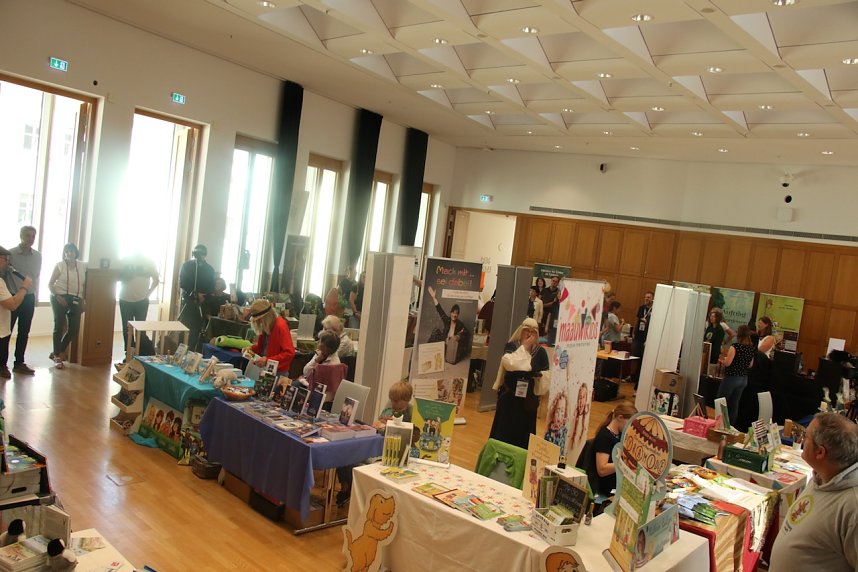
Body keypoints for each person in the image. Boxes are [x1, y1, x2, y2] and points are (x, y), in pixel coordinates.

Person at [769, 412, 858, 572]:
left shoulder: (853, 506)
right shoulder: (822, 475)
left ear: (820, 453)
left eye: (806, 435)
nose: (802, 438)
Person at [338, 380, 414, 506]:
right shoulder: (389, 410)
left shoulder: (409, 415)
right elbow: (377, 424)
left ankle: (350, 486)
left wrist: (390, 425)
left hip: (389, 448)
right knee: (344, 453)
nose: (392, 403)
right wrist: (379, 423)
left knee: (351, 457)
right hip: (377, 439)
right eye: (391, 400)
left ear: (406, 400)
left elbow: (407, 435)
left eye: (396, 401)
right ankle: (345, 485)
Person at [488, 317, 549, 449]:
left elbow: (546, 374)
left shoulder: (540, 352)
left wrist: (538, 377)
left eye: (533, 332)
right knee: (503, 432)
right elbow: (510, 363)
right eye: (527, 331)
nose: (529, 334)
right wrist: (525, 347)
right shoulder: (511, 346)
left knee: (523, 436)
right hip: (509, 399)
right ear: (521, 331)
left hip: (527, 402)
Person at [1, 226, 41, 375]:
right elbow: (4, 274)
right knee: (6, 332)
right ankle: (2, 364)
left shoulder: (38, 256)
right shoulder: (10, 254)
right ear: (21, 236)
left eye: (33, 236)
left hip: (29, 297)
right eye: (27, 235)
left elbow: (35, 277)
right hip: (12, 297)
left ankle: (19, 363)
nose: (30, 239)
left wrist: (35, 296)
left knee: (24, 331)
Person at [47, 243, 86, 369]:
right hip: (59, 297)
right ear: (64, 253)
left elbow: (85, 286)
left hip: (76, 299)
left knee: (74, 328)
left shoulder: (83, 266)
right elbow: (50, 284)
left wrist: (84, 300)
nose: (70, 253)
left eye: (72, 251)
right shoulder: (60, 265)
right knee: (59, 325)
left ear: (76, 253)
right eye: (67, 251)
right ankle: (58, 356)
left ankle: (57, 351)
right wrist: (58, 296)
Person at [589, 401, 637, 497]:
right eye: (630, 423)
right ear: (620, 417)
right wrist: (625, 462)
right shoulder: (604, 437)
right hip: (606, 489)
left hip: (616, 483)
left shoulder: (618, 435)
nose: (630, 428)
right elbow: (602, 469)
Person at [118, 252, 159, 356]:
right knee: (127, 328)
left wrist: (148, 293)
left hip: (142, 301)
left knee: (141, 328)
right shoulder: (124, 260)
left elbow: (156, 280)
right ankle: (129, 353)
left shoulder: (149, 262)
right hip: (125, 299)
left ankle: (140, 353)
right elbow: (116, 277)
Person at [178, 244, 215, 351]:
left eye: (201, 254)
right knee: (184, 330)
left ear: (205, 255)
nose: (199, 256)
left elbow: (211, 286)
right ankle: (180, 354)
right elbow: (183, 283)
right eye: (197, 254)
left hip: (202, 304)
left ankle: (192, 354)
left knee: (196, 331)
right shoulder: (187, 266)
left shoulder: (209, 269)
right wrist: (194, 293)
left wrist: (204, 295)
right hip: (188, 302)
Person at [717, 324, 755, 425]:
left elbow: (728, 363)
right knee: (734, 404)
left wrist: (722, 360)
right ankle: (731, 426)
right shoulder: (751, 348)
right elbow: (750, 365)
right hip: (743, 379)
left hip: (732, 377)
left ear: (739, 334)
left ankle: (720, 424)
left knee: (721, 401)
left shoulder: (735, 347)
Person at [247, 299, 295, 374]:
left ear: (267, 316)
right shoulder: (267, 325)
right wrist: (251, 349)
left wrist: (267, 360)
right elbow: (265, 348)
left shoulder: (280, 326)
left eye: (259, 320)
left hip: (278, 371)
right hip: (265, 368)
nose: (258, 322)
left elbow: (289, 353)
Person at [426, 285, 470, 363]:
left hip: (450, 347)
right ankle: (427, 352)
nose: (454, 315)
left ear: (458, 315)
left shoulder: (460, 324)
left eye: (456, 313)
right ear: (450, 313)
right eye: (453, 312)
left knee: (454, 354)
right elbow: (440, 310)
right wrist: (434, 297)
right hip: (443, 342)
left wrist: (458, 336)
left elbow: (467, 333)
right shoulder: (447, 320)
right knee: (435, 330)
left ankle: (445, 355)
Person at [631, 291, 653, 385]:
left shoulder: (654, 309)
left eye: (648, 297)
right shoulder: (641, 308)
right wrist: (633, 331)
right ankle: (632, 375)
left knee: (643, 358)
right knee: (634, 355)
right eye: (645, 297)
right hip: (638, 336)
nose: (646, 299)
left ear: (652, 299)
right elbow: (637, 320)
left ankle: (640, 377)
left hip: (647, 337)